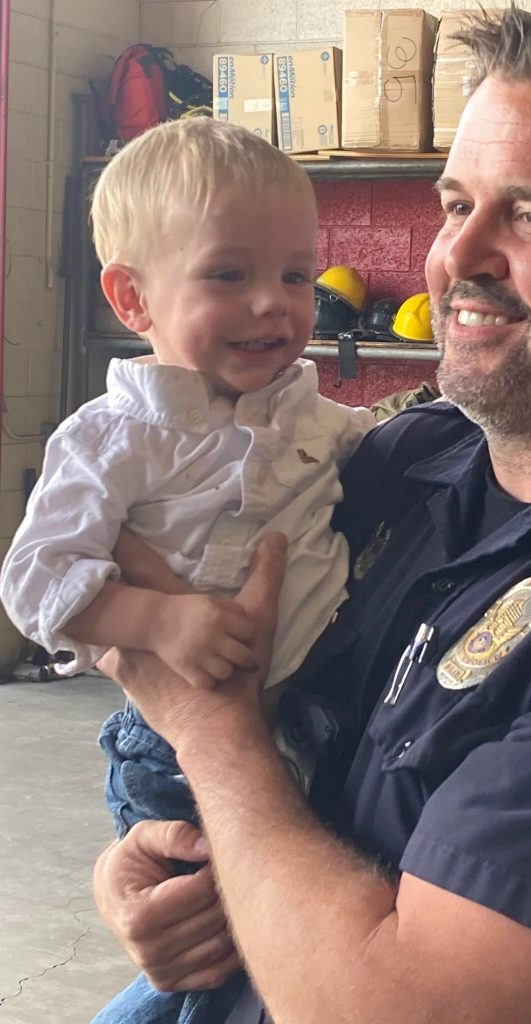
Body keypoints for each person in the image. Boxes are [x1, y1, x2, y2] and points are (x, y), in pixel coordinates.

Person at [92, 7, 531, 1023]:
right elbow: (277, 786)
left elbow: (413, 1007)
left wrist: (206, 727)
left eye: (529, 216)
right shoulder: (402, 460)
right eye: (456, 204)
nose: (456, 256)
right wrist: (148, 870)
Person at [0, 117, 374, 1021]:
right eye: (229, 275)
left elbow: (382, 451)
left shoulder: (313, 415)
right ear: (133, 298)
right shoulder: (112, 438)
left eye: (297, 276)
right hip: (172, 750)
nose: (273, 304)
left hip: (315, 722)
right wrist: (160, 621)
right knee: (206, 954)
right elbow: (35, 581)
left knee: (293, 940)